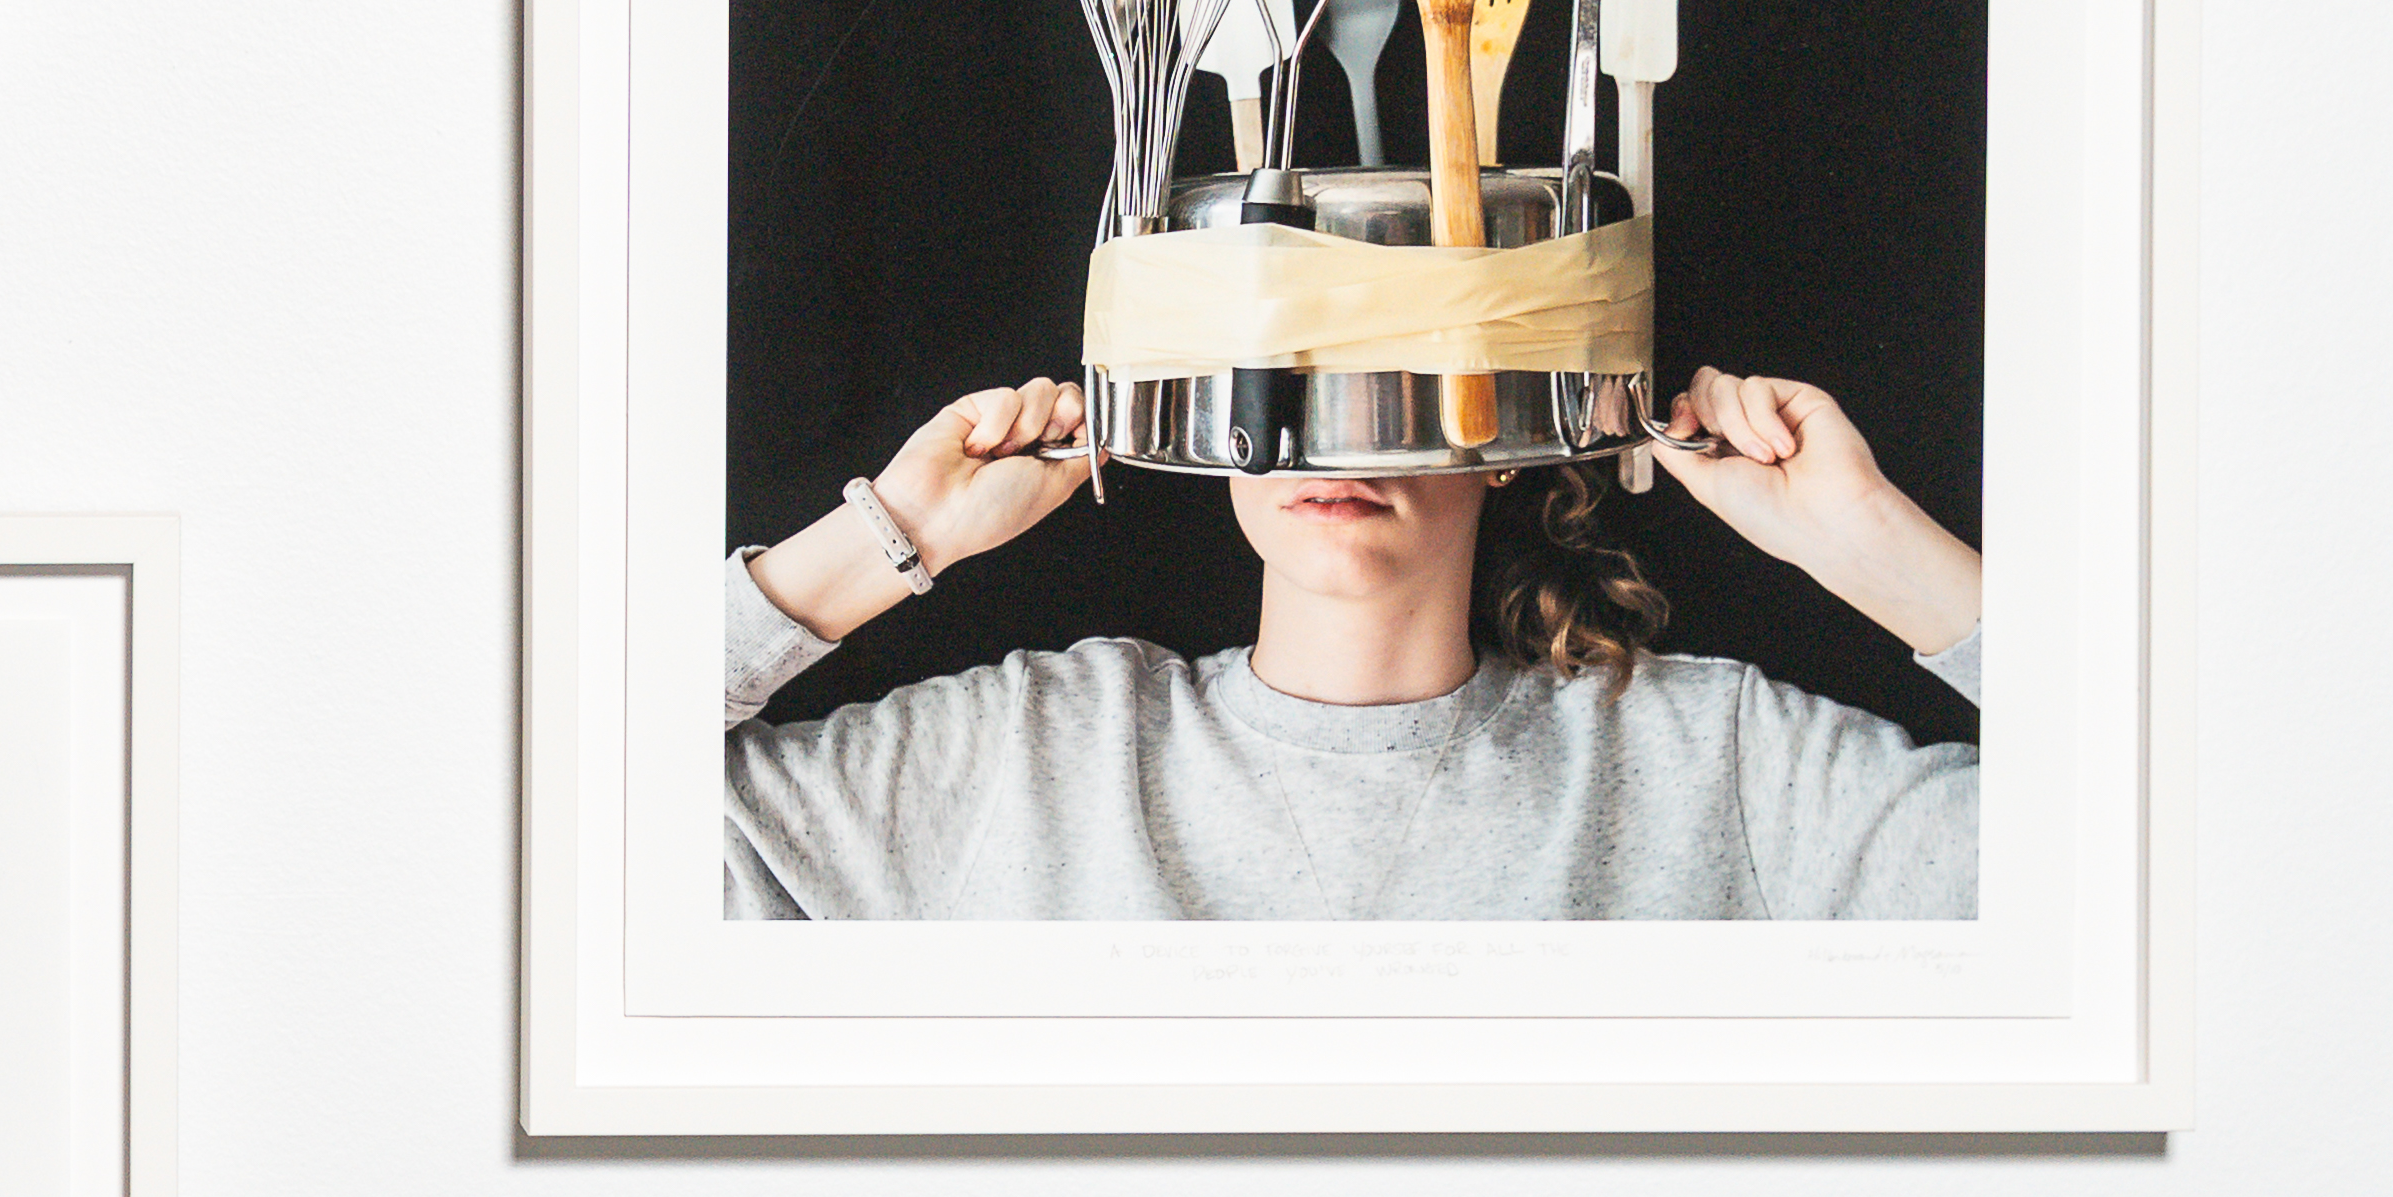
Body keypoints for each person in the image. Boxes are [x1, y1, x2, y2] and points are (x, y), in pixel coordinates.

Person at [726, 368, 1982, 922]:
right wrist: (883, 536)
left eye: (1403, 370)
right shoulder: (1027, 754)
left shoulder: (1718, 765)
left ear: (1509, 438)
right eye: (1284, 373)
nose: (1332, 433)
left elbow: (2150, 873)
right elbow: (549, 808)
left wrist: (1869, 544)